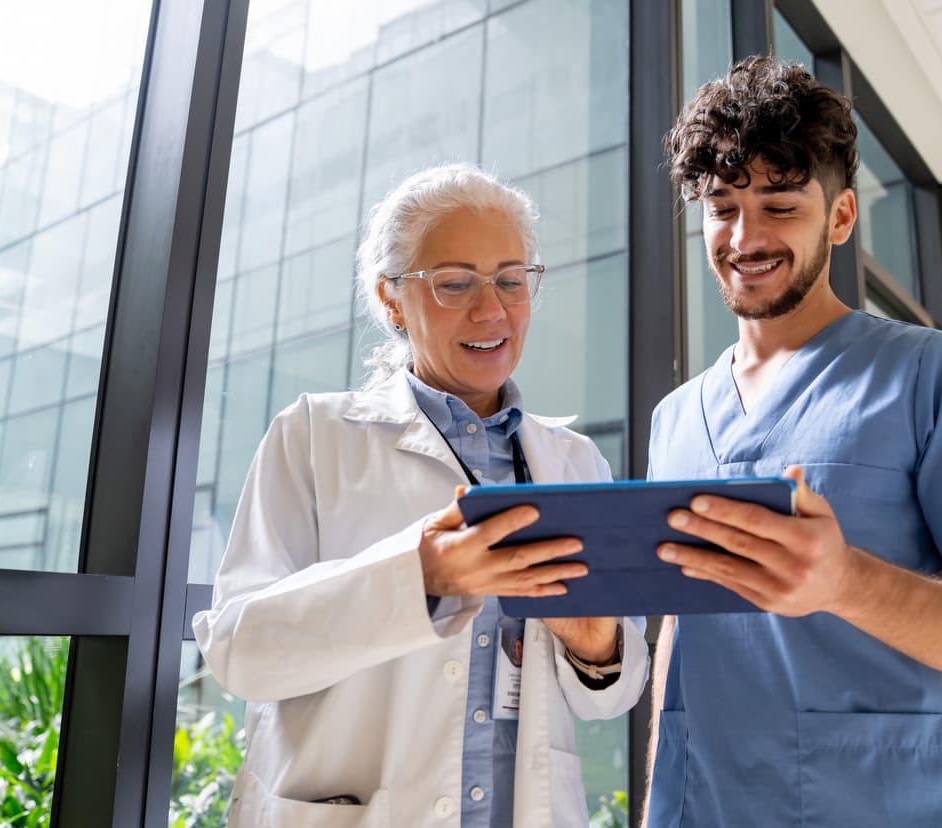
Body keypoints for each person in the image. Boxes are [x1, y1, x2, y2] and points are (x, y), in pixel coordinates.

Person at [642, 56, 942, 827]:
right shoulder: (676, 418)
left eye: (780, 204)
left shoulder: (931, 375)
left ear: (839, 218)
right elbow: (680, 633)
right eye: (723, 205)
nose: (746, 235)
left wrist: (847, 584)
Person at [194, 163, 647, 828]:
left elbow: (612, 697)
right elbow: (240, 650)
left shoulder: (574, 462)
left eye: (511, 280)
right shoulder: (315, 435)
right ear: (391, 299)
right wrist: (421, 577)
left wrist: (595, 641)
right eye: (455, 282)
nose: (490, 309)